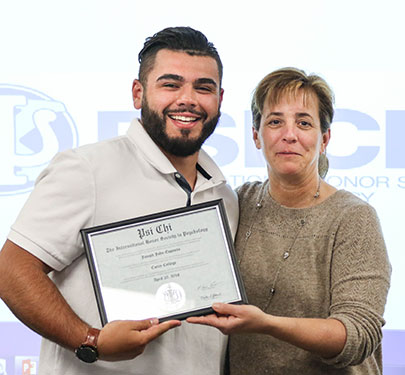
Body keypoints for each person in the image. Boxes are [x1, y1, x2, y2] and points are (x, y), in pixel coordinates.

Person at [0, 27, 238, 375]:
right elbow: (11, 270)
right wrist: (91, 341)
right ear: (138, 93)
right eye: (170, 84)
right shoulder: (88, 169)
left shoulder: (224, 196)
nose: (188, 99)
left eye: (203, 87)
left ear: (219, 98)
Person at [188, 68, 391, 374]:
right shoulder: (237, 203)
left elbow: (359, 336)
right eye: (275, 121)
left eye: (304, 122)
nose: (289, 134)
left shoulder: (353, 218)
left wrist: (268, 324)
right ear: (256, 136)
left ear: (324, 139)